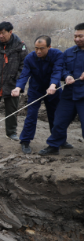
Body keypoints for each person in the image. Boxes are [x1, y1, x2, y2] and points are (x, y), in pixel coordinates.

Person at [11, 35, 71, 154]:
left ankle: (60, 141)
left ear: (49, 47)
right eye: (36, 48)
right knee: (31, 115)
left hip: (53, 89)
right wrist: (18, 88)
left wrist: (53, 85)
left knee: (56, 116)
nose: (38, 51)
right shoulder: (29, 58)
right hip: (35, 89)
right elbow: (24, 75)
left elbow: (57, 71)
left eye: (41, 48)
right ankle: (25, 141)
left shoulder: (57, 55)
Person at [39, 23, 84, 155]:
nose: (77, 39)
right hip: (69, 94)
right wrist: (67, 76)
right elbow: (61, 68)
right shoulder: (69, 52)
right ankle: (53, 146)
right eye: (75, 36)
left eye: (80, 36)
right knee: (59, 121)